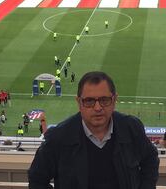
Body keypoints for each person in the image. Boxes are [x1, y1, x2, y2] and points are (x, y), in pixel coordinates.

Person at [29, 71, 159, 189]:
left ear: (114, 100)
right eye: (89, 101)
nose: (98, 108)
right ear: (79, 103)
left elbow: (151, 158)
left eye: (104, 100)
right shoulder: (59, 137)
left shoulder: (131, 128)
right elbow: (36, 180)